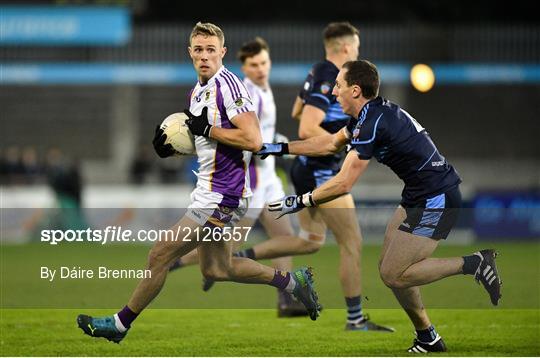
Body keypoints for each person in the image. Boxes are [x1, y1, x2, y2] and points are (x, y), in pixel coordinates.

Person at [76, 22, 321, 344]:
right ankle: (293, 282)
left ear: (222, 52)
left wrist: (206, 130)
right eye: (199, 50)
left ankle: (119, 325)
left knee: (160, 253)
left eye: (210, 50)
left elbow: (253, 138)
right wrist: (175, 145)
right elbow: (208, 140)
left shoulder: (228, 86)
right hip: (211, 191)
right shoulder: (197, 91)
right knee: (218, 270)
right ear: (190, 53)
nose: (204, 56)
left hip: (223, 195)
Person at [258, 59, 502, 353]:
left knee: (393, 274)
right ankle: (427, 337)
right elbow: (328, 144)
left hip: (436, 197)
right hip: (418, 195)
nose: (334, 92)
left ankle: (474, 264)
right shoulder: (368, 116)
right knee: (391, 270)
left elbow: (344, 183)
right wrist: (279, 148)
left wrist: (301, 200)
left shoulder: (373, 121)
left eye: (338, 85)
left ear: (356, 90)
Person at [255, 22, 391, 331]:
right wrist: (337, 143)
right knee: (352, 243)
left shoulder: (317, 72)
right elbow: (305, 127)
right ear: (345, 48)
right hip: (321, 171)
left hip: (307, 168)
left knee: (310, 241)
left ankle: (240, 255)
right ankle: (355, 319)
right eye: (355, 47)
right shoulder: (332, 76)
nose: (357, 52)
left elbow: (296, 112)